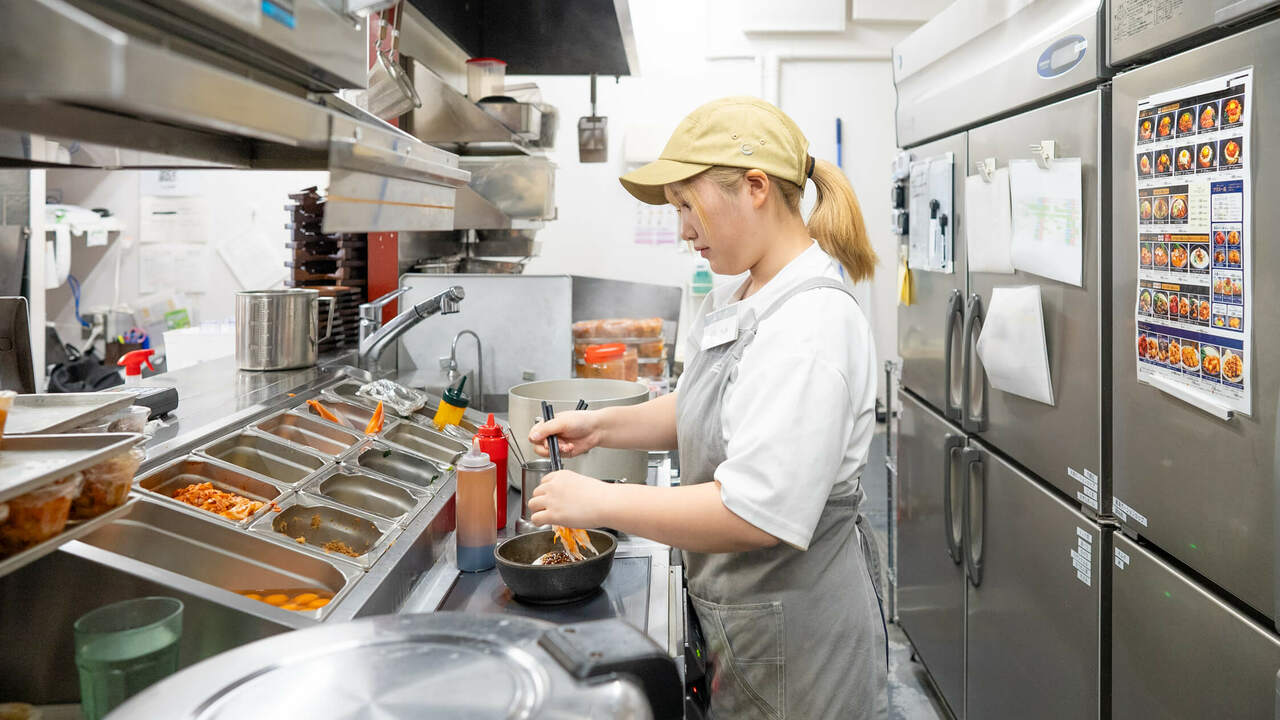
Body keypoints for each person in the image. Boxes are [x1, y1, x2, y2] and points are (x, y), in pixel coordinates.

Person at [528, 96, 887, 719]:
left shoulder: (810, 327)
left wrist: (598, 501)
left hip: (801, 647)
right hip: (750, 625)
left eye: (688, 206)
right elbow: (706, 406)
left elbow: (754, 513)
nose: (683, 229)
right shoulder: (746, 293)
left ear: (755, 188)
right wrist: (602, 425)